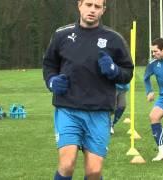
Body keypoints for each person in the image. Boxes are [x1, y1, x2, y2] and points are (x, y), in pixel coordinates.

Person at [42, 0, 133, 179]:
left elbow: (127, 72)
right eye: (88, 4)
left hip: (99, 112)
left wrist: (114, 71)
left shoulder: (114, 39)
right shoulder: (62, 34)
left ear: (103, 10)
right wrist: (52, 81)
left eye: (97, 6)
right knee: (67, 164)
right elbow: (49, 64)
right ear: (79, 5)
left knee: (94, 171)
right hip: (68, 109)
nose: (92, 9)